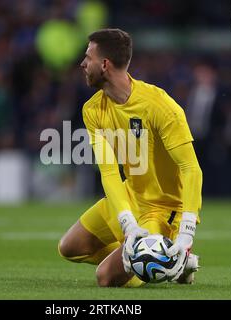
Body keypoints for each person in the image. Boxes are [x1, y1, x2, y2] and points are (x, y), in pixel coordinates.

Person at [58, 28, 203, 287]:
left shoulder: (159, 106)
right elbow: (110, 172)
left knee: (105, 278)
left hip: (163, 209)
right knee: (69, 247)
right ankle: (161, 259)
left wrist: (186, 232)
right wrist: (128, 224)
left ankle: (165, 256)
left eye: (87, 57)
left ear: (104, 64)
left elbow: (191, 168)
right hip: (130, 196)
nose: (82, 63)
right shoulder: (92, 110)